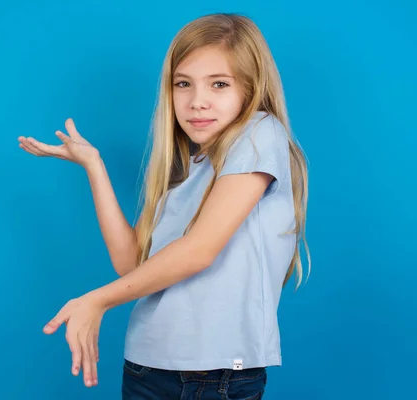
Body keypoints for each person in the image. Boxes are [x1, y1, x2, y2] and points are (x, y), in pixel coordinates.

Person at [18, 12, 310, 400]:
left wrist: (97, 300)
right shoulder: (186, 167)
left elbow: (199, 251)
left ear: (251, 90)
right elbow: (132, 265)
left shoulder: (261, 133)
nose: (197, 101)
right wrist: (94, 166)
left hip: (217, 374)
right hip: (145, 366)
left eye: (219, 84)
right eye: (183, 84)